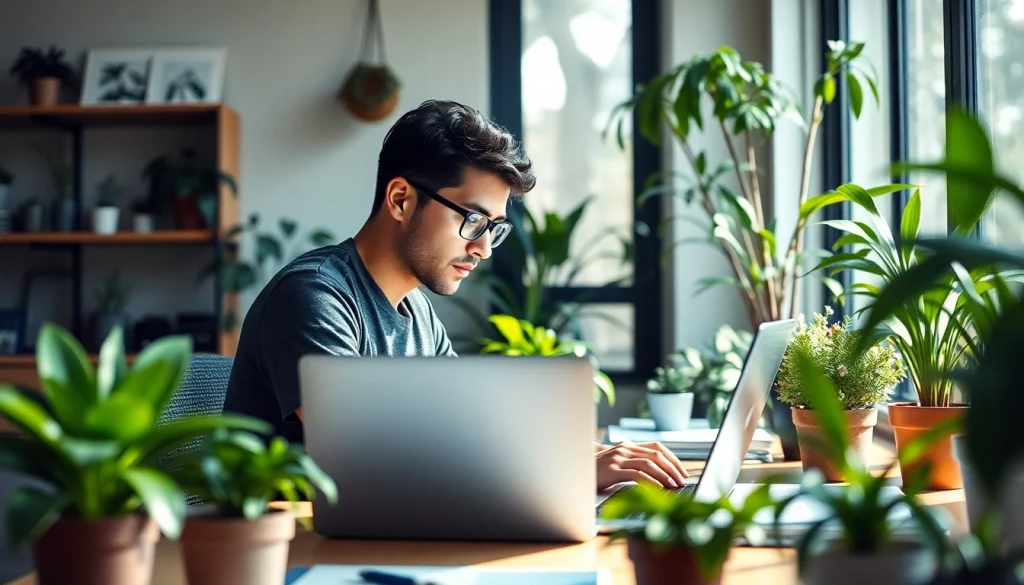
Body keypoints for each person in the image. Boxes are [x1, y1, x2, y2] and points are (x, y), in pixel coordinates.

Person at [223, 99, 689, 491]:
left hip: (390, 537)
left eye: (494, 229)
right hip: (300, 555)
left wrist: (598, 455)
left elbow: (472, 428)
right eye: (472, 220)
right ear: (401, 199)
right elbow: (361, 452)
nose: (483, 248)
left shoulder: (417, 312)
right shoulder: (313, 295)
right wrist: (568, 472)